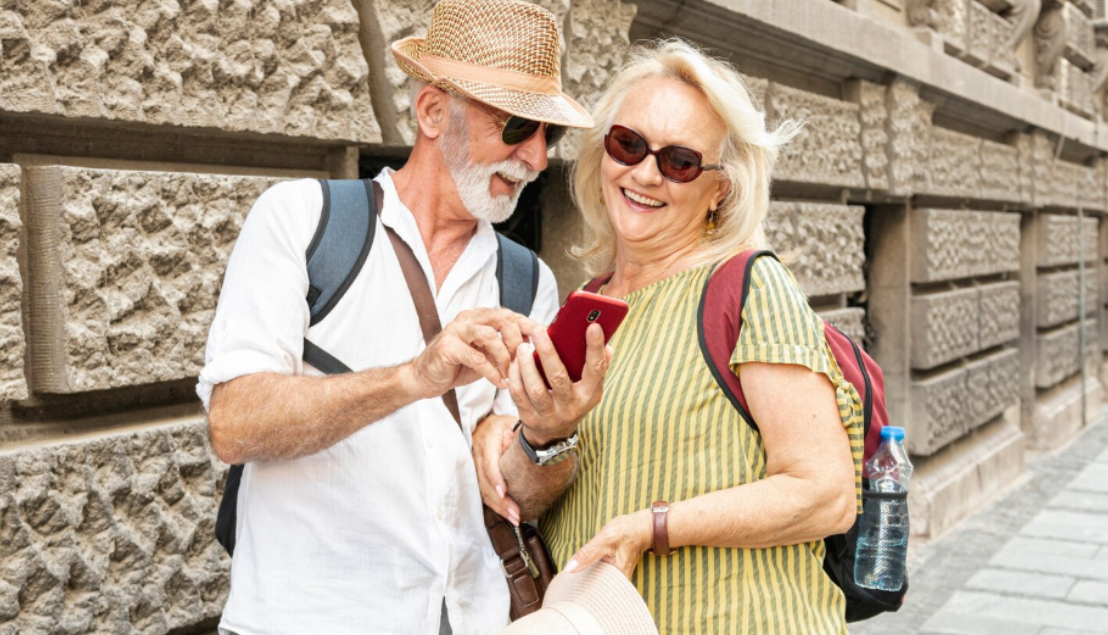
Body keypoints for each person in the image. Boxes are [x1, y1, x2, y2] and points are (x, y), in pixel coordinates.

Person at [197, 1, 608, 633]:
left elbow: (519, 496)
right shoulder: (301, 219)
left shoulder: (529, 282)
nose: (535, 158)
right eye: (517, 126)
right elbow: (233, 425)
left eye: (546, 136)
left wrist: (547, 435)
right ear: (433, 112)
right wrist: (413, 377)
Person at [474, 39, 864, 634]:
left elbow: (826, 494)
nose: (644, 173)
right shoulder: (589, 305)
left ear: (720, 189)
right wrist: (535, 435)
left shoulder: (748, 288)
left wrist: (653, 527)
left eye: (679, 161)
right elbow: (528, 502)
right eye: (628, 144)